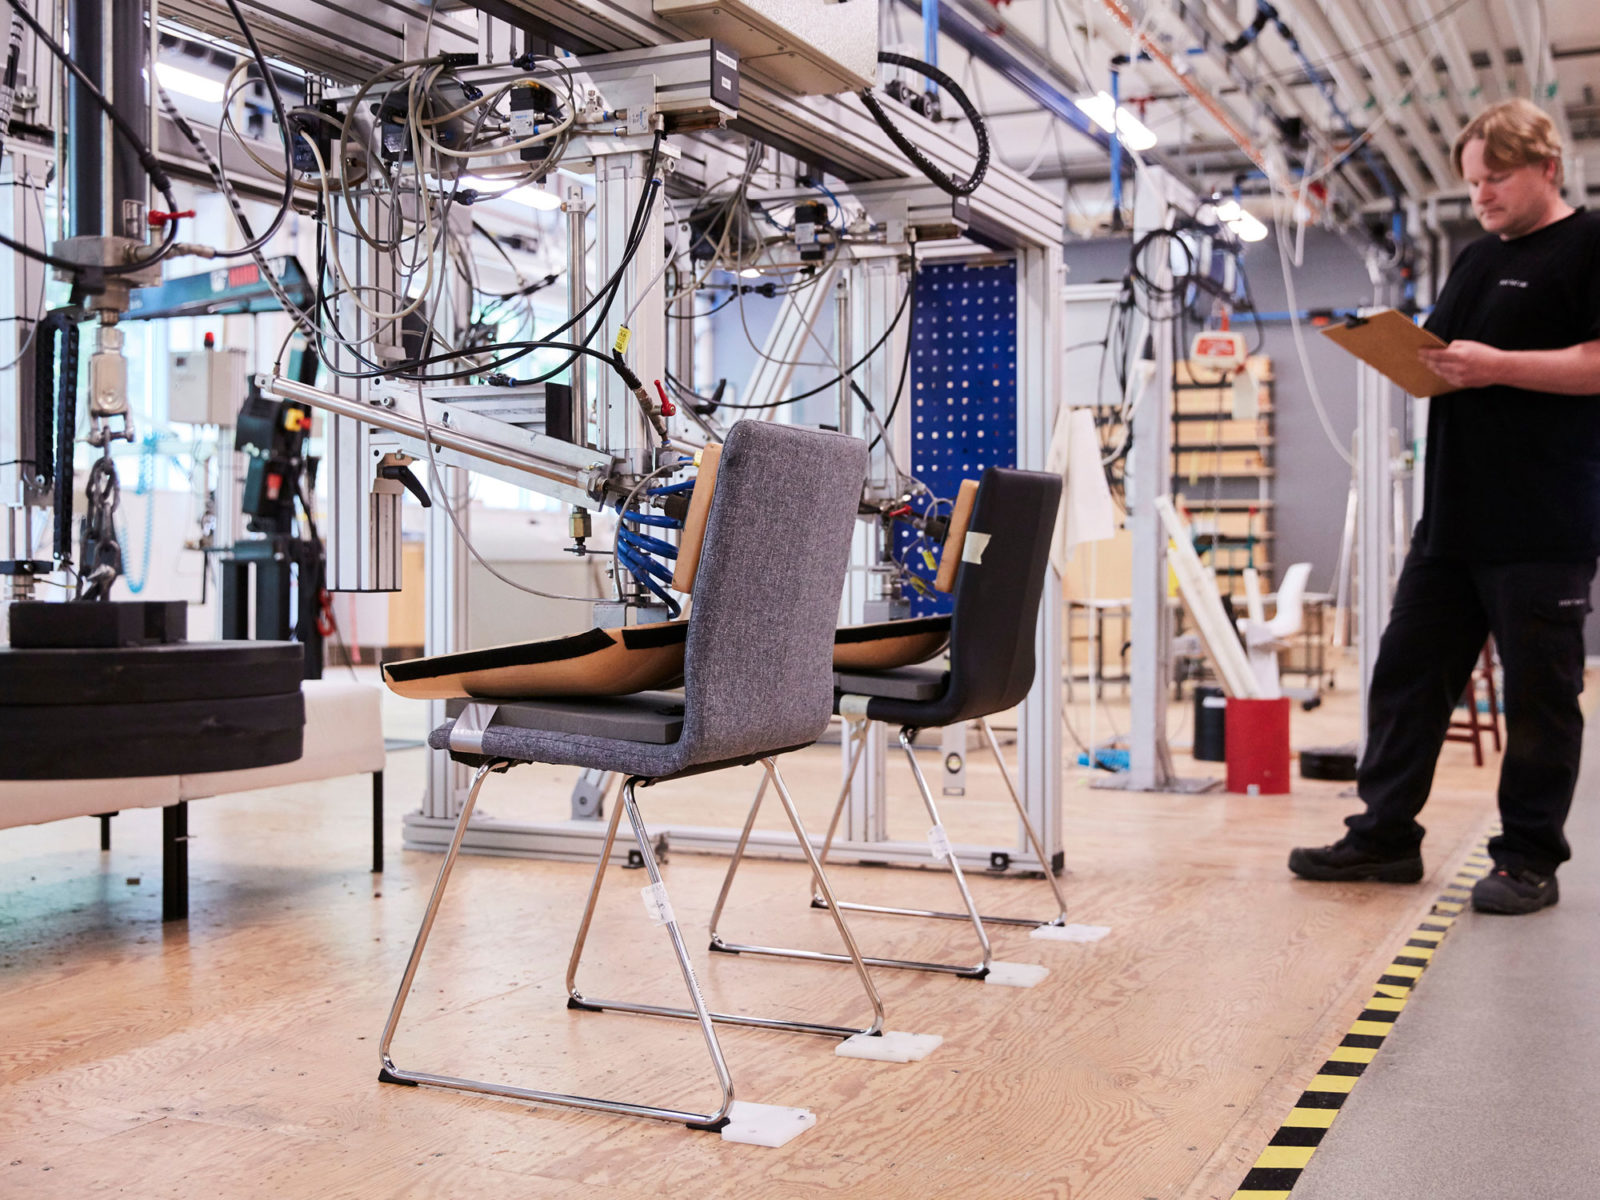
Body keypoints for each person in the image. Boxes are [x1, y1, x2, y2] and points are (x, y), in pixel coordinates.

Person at [1290, 98, 1600, 914]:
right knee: (1406, 679)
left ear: (1548, 167)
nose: (1482, 198)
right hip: (1452, 524)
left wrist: (1499, 365)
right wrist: (1395, 348)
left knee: (1539, 696)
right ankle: (1385, 835)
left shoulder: (1590, 245)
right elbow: (1438, 358)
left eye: (1495, 179)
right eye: (1472, 185)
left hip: (1543, 524)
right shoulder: (1471, 260)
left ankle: (1528, 857)